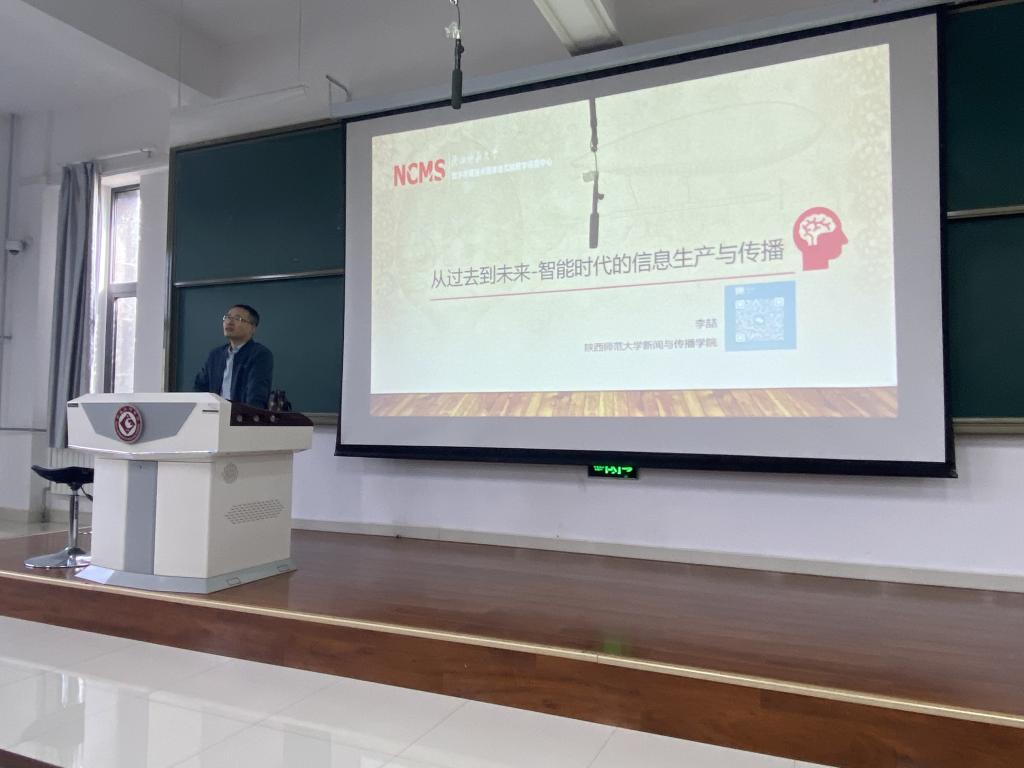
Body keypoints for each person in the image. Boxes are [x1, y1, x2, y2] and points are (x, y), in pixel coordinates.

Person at [194, 304, 273, 408]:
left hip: (242, 415)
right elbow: (200, 389)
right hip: (213, 414)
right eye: (227, 317)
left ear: (252, 328)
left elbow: (256, 396)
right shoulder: (215, 355)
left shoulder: (259, 354)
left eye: (237, 318)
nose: (229, 322)